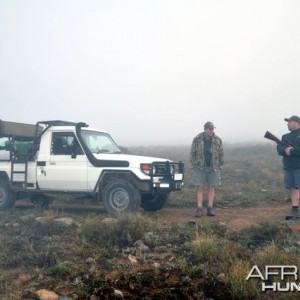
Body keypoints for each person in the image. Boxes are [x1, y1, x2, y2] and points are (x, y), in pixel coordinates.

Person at [190, 121, 224, 217]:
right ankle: (199, 208)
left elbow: (221, 153)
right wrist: (195, 164)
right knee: (200, 188)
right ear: (205, 129)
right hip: (200, 167)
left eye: (213, 129)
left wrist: (220, 165)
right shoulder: (197, 139)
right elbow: (192, 153)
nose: (212, 131)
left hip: (213, 167)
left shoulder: (218, 140)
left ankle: (210, 208)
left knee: (211, 187)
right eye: (210, 129)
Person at [276, 115, 300, 220]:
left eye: (290, 122)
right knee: (292, 188)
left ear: (297, 123)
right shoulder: (285, 136)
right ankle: (294, 210)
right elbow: (279, 149)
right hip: (289, 166)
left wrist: (292, 151)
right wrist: (285, 150)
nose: (288, 124)